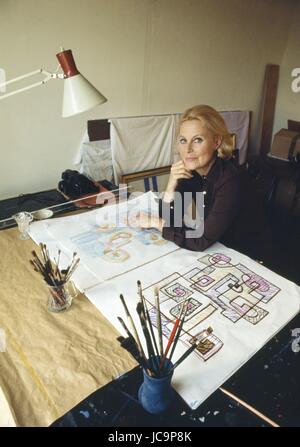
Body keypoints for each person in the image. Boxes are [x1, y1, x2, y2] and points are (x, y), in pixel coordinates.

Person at [130, 105, 242, 251]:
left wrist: (156, 223)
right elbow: (171, 220)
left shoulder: (231, 180)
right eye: (183, 140)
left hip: (249, 255)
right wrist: (171, 185)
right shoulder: (192, 171)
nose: (188, 149)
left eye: (197, 140)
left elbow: (200, 240)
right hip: (220, 246)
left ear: (216, 142)